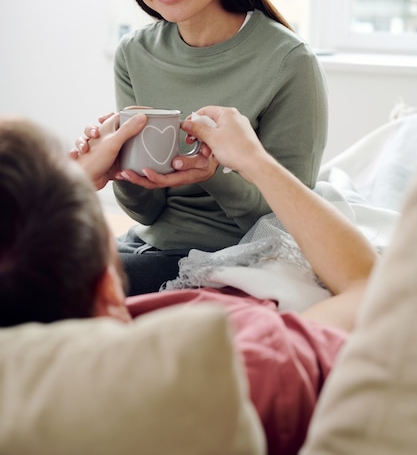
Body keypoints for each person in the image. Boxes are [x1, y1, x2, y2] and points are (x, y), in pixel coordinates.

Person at [0, 107, 375, 453]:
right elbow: (367, 288)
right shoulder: (235, 371)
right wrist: (254, 160)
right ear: (109, 290)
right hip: (296, 270)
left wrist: (71, 184)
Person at [75, 0, 329, 293]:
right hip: (145, 247)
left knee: (53, 290)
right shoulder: (133, 55)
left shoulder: (288, 62)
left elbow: (288, 221)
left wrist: (212, 172)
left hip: (234, 258)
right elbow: (149, 213)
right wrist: (121, 170)